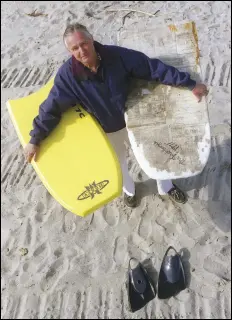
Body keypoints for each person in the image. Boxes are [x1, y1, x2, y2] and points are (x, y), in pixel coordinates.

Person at [24, 23, 208, 208]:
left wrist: (189, 84)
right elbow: (51, 107)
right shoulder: (67, 77)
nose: (82, 50)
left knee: (158, 153)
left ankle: (166, 187)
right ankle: (129, 190)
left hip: (137, 120)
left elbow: (152, 68)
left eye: (84, 43)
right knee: (119, 163)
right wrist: (35, 139)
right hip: (107, 129)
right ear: (69, 51)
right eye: (75, 48)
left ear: (92, 40)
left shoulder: (117, 56)